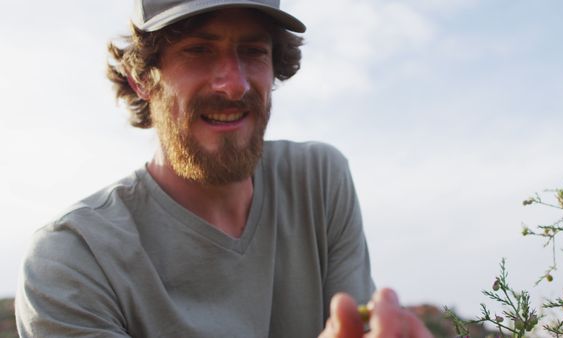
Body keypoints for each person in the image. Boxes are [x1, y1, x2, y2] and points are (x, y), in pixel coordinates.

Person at [15, 1, 432, 337]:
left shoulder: (319, 181)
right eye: (197, 49)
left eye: (253, 51)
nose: (234, 85)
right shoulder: (72, 260)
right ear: (142, 78)